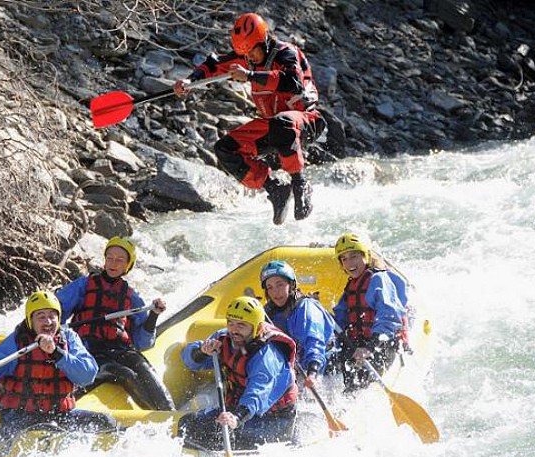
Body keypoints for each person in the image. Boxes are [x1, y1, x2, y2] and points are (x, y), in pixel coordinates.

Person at [174, 12, 337, 225]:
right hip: (273, 126)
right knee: (225, 149)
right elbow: (213, 64)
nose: (250, 58)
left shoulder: (286, 53)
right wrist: (189, 80)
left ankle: (300, 184)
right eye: (246, 54)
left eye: (253, 52)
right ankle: (275, 189)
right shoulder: (246, 56)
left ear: (264, 41)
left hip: (307, 121)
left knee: (282, 122)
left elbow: (292, 82)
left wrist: (250, 76)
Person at [0, 290, 118, 438]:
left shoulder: (69, 339)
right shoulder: (15, 343)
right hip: (17, 415)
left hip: (59, 414)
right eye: (41, 316)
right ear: (30, 320)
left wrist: (56, 353)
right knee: (44, 430)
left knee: (107, 423)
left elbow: (88, 375)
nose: (48, 321)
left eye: (52, 316)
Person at [56, 236, 176, 411]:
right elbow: (57, 311)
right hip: (89, 351)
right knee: (125, 374)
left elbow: (144, 342)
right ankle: (159, 421)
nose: (113, 263)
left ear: (128, 266)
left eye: (120, 260)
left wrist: (153, 316)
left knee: (145, 370)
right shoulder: (84, 285)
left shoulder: (131, 296)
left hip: (119, 350)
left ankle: (171, 415)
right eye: (110, 258)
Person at [178, 296, 298, 451]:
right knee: (188, 424)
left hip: (273, 420)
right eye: (231, 323)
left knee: (215, 433)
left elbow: (257, 395)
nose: (234, 329)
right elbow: (190, 361)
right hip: (239, 409)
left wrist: (236, 418)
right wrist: (202, 351)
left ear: (256, 327)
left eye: (241, 325)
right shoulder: (224, 338)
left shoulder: (267, 357)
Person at [332, 233, 410, 392]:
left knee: (358, 387)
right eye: (344, 259)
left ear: (365, 256)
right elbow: (340, 317)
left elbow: (388, 317)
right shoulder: (351, 286)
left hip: (382, 344)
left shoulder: (378, 279)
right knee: (337, 367)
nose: (349, 263)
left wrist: (370, 346)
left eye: (354, 256)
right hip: (360, 345)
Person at [260, 260, 338, 388]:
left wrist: (312, 373)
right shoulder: (268, 313)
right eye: (270, 287)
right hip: (297, 368)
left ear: (291, 285)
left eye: (280, 285)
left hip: (322, 367)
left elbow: (315, 341)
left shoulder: (306, 308)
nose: (275, 292)